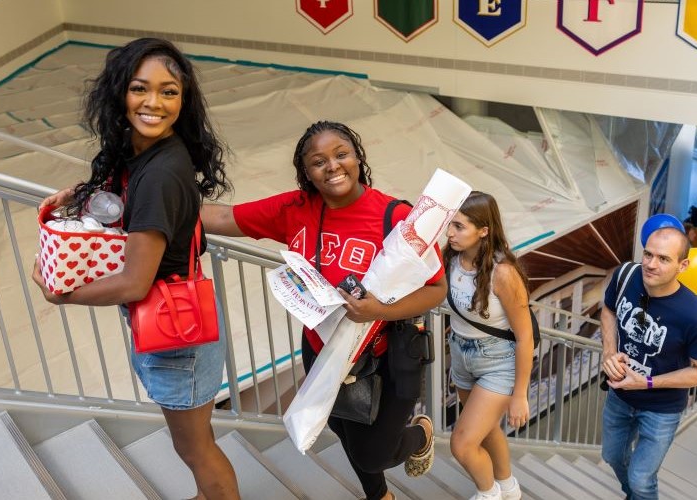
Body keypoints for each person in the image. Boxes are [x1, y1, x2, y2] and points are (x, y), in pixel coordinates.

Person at [32, 38, 239, 499]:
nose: (153, 103)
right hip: (174, 325)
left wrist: (60, 292)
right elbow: (124, 199)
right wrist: (79, 194)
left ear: (183, 100)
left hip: (178, 338)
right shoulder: (142, 151)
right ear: (119, 93)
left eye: (169, 92)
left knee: (196, 449)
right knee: (195, 444)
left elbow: (134, 280)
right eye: (140, 88)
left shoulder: (162, 173)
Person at [201, 121, 444, 500]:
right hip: (322, 349)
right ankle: (380, 496)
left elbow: (436, 290)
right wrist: (149, 210)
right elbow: (224, 218)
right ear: (307, 174)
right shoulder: (296, 209)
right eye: (318, 162)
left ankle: (419, 435)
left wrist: (377, 309)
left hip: (384, 357)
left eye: (341, 154)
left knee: (373, 453)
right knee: (345, 429)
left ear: (358, 157)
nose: (332, 166)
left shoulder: (397, 218)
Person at [600, 227, 697, 500]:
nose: (651, 265)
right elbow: (608, 310)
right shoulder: (626, 275)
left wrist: (648, 382)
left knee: (642, 479)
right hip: (618, 396)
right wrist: (609, 352)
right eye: (648, 254)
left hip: (661, 408)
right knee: (611, 456)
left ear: (683, 265)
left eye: (664, 259)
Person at [443, 192, 534, 500]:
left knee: (462, 444)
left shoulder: (503, 273)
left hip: (497, 360)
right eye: (450, 225)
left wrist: (519, 394)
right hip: (460, 352)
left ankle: (489, 493)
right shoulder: (451, 258)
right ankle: (508, 488)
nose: (450, 233)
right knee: (487, 429)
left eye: (459, 227)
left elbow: (524, 336)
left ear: (483, 230)